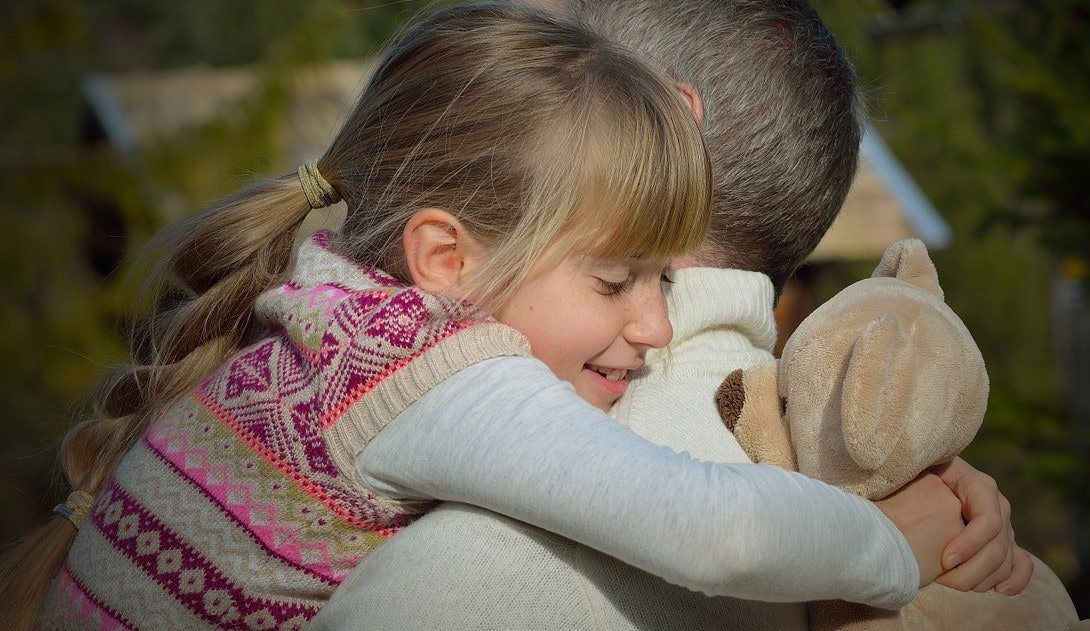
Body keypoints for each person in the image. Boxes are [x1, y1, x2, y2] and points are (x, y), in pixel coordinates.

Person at [0, 4, 965, 630]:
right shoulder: (439, 379)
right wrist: (890, 550)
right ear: (448, 260)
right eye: (617, 280)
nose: (656, 327)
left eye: (660, 282)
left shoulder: (328, 295)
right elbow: (716, 532)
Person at [313, 1, 1033, 629]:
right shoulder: (872, 493)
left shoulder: (470, 571)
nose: (651, 325)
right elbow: (718, 525)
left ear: (669, 120)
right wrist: (898, 518)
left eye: (560, 47)